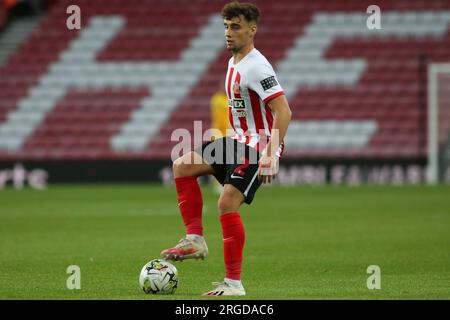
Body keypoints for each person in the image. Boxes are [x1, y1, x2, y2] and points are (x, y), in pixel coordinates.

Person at [161, 1, 292, 296]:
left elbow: (284, 111)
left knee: (226, 203)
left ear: (252, 30)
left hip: (257, 147)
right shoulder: (234, 62)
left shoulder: (258, 67)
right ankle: (194, 239)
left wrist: (271, 153)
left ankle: (234, 283)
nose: (228, 33)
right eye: (226, 27)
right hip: (237, 141)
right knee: (182, 165)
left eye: (235, 27)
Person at [209, 80, 230, 193]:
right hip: (218, 131)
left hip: (230, 131)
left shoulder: (230, 98)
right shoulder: (217, 99)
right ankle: (218, 184)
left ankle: (227, 183)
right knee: (218, 159)